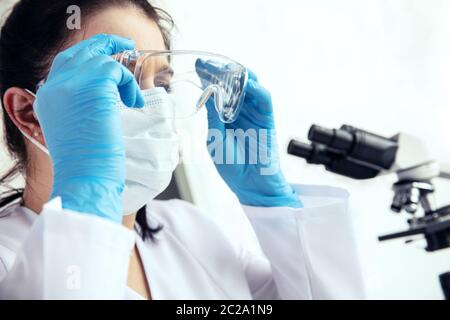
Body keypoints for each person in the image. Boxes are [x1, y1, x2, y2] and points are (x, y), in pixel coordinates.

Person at [0, 0, 365, 299]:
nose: (151, 103)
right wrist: (86, 196)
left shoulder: (191, 231)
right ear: (29, 112)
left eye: (161, 82)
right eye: (115, 79)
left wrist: (275, 206)